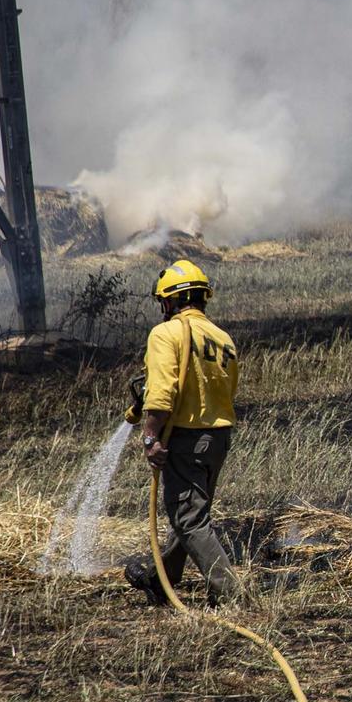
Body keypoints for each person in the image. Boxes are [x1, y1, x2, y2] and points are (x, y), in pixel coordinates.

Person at [123, 259, 243, 606]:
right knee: (192, 512)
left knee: (188, 518)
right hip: (218, 437)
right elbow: (224, 389)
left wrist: (150, 436)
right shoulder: (222, 338)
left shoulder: (166, 333)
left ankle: (232, 595)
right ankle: (164, 579)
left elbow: (161, 392)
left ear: (171, 301)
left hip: (186, 437)